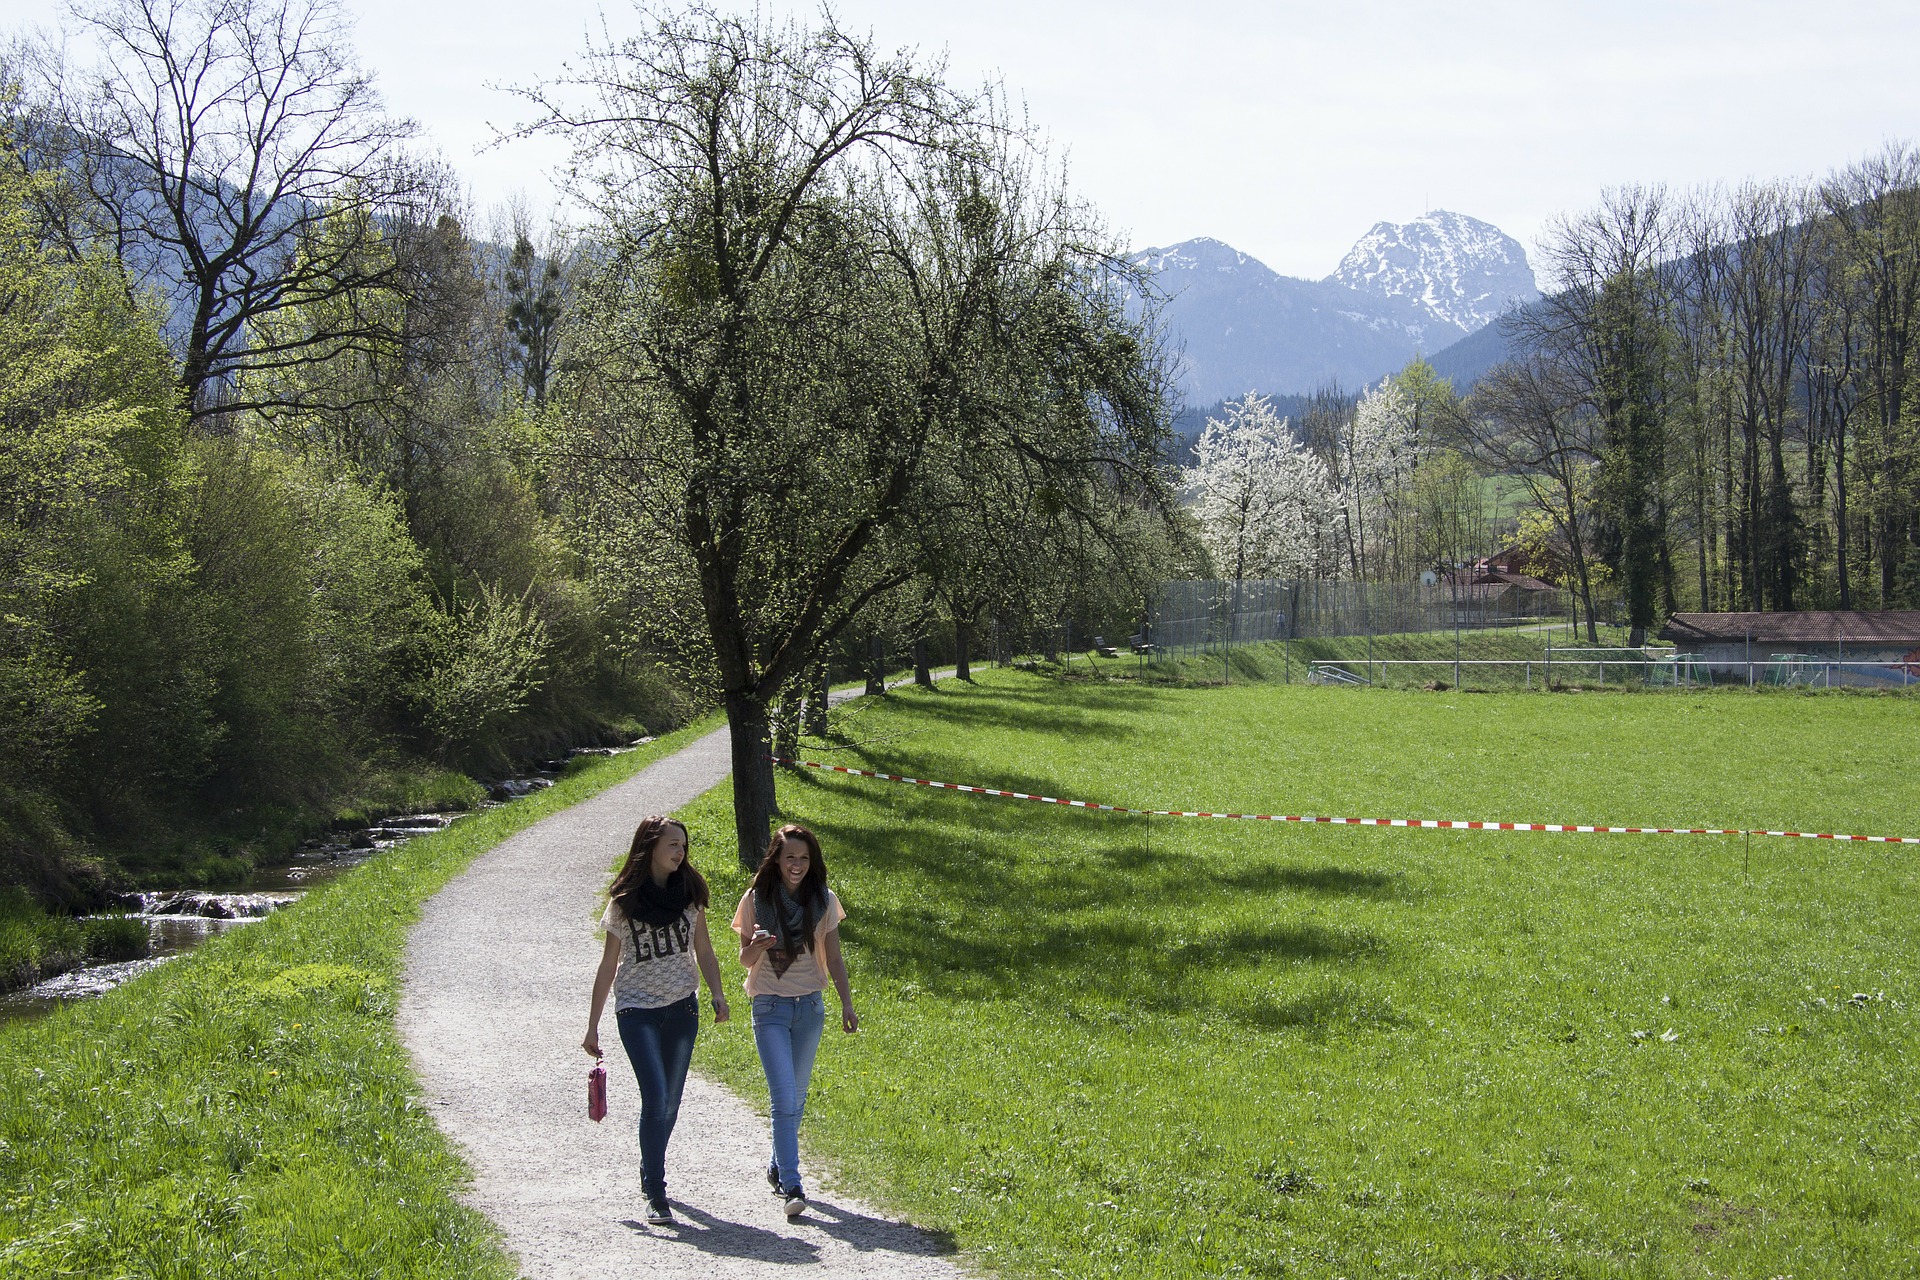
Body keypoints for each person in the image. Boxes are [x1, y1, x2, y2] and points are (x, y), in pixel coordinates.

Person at [585, 815, 729, 1226]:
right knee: (657, 1097)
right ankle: (656, 1191)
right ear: (650, 847)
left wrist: (717, 993)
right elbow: (608, 964)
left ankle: (650, 1165)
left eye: (683, 845)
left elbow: (704, 949)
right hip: (637, 1010)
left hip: (682, 1008)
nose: (680, 851)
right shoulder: (624, 903)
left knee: (672, 1103)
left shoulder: (690, 895)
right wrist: (592, 1025)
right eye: (672, 844)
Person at [732, 823, 858, 1219]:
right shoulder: (756, 899)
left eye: (804, 858)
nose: (797, 865)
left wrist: (847, 1004)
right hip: (769, 1006)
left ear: (812, 861)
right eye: (790, 857)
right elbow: (744, 961)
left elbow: (834, 958)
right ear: (776, 859)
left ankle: (776, 1164)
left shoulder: (823, 901)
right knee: (783, 1097)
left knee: (797, 1097)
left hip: (809, 1009)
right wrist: (755, 947)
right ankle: (792, 1183)